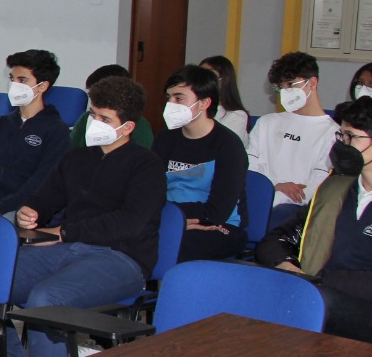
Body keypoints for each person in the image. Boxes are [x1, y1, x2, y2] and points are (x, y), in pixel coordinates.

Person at [7, 76, 167, 357]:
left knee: (46, 298)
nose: (95, 123)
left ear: (127, 127)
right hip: (66, 249)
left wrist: (64, 232)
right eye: (93, 115)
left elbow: (129, 223)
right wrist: (30, 211)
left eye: (105, 118)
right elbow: (45, 197)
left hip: (121, 259)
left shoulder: (146, 165)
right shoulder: (77, 158)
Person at [256, 97, 372, 342]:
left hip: (355, 304)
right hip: (318, 292)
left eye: (352, 137)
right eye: (340, 136)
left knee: (304, 305)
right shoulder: (335, 189)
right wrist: (287, 265)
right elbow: (276, 239)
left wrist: (317, 281)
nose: (343, 145)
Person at [151, 64, 247, 261]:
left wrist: (173, 217)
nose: (171, 104)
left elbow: (218, 211)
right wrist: (172, 219)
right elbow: (150, 190)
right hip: (170, 218)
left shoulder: (228, 145)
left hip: (217, 225)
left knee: (175, 244)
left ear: (204, 103)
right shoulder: (165, 138)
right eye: (168, 98)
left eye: (179, 98)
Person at [0, 49, 69, 217]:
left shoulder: (56, 130)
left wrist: (0, 209)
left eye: (22, 80)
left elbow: (40, 183)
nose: (14, 85)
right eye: (12, 79)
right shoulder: (2, 124)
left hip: (22, 208)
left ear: (43, 86)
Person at [247, 51, 336, 229]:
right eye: (281, 87)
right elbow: (250, 169)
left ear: (312, 83)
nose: (285, 92)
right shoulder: (266, 123)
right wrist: (275, 186)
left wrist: (273, 194)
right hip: (258, 200)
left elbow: (313, 189)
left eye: (290, 85)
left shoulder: (332, 133)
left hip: (294, 212)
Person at [66, 65, 154, 149]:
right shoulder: (85, 118)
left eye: (105, 119)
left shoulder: (140, 125)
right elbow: (71, 148)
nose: (96, 121)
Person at [199, 54, 250, 147]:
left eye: (209, 75)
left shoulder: (237, 116)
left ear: (223, 81)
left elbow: (224, 148)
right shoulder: (192, 109)